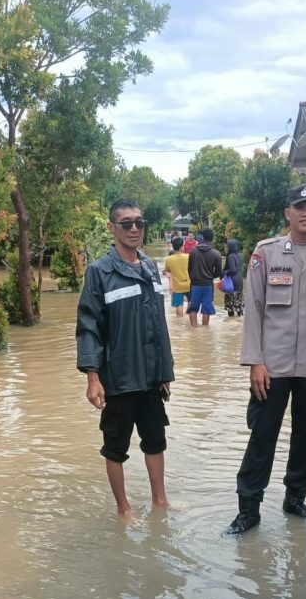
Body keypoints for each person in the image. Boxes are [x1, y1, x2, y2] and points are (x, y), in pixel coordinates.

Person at [227, 183, 306, 534]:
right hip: (273, 365)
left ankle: (295, 499)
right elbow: (252, 310)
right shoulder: (265, 254)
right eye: (300, 206)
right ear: (288, 213)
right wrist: (255, 361)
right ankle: (249, 509)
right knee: (262, 435)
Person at [76, 199, 175, 517]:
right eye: (126, 223)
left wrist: (165, 371)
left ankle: (160, 501)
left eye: (139, 223)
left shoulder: (149, 267)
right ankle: (124, 509)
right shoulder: (99, 272)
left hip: (150, 377)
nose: (134, 229)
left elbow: (158, 324)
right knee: (115, 447)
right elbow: (88, 326)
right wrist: (93, 378)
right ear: (112, 228)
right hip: (117, 378)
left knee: (156, 440)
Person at [186, 227, 223, 328]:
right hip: (208, 284)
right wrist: (211, 276)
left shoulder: (193, 252)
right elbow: (218, 272)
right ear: (212, 238)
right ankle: (205, 330)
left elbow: (189, 268)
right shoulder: (216, 254)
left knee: (192, 307)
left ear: (201, 237)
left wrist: (194, 277)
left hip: (195, 284)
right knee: (206, 308)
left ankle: (194, 331)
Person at [163, 236, 191, 318]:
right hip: (189, 284)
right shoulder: (188, 257)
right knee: (191, 302)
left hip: (177, 285)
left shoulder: (168, 259)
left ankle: (180, 322)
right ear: (182, 247)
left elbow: (167, 270)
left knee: (179, 304)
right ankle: (190, 321)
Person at [223, 236, 245, 317]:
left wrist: (225, 273)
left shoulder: (231, 256)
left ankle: (231, 325)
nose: (226, 248)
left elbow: (232, 270)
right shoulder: (241, 255)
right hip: (240, 282)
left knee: (230, 307)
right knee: (239, 305)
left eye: (227, 246)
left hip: (232, 283)